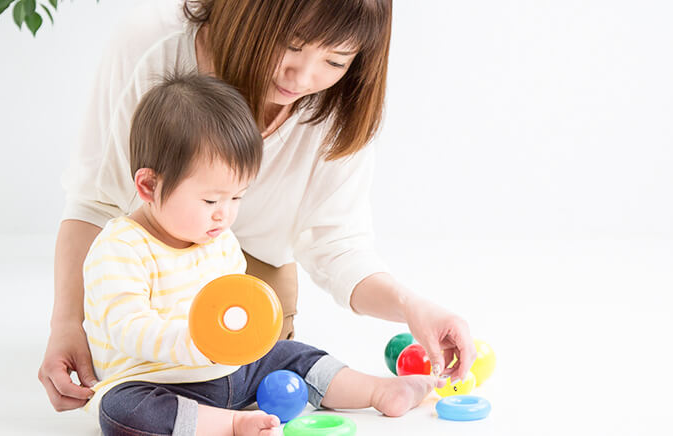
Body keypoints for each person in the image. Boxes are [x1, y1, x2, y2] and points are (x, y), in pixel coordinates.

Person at [38, 0, 476, 412]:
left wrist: (413, 307)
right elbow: (94, 201)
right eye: (292, 45)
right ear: (256, 3)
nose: (301, 78)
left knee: (266, 361)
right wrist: (67, 324)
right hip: (150, 259)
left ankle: (374, 391)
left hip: (246, 272)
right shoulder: (155, 39)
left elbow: (338, 246)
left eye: (334, 61)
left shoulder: (339, 105)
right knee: (137, 387)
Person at [84, 73, 438, 436]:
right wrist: (199, 344)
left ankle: (376, 390)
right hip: (159, 381)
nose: (225, 213)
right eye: (210, 200)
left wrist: (248, 334)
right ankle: (229, 424)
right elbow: (126, 327)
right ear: (148, 185)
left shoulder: (218, 239)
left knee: (290, 354)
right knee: (119, 410)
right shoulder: (121, 248)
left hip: (232, 370)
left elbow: (235, 303)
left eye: (236, 197)